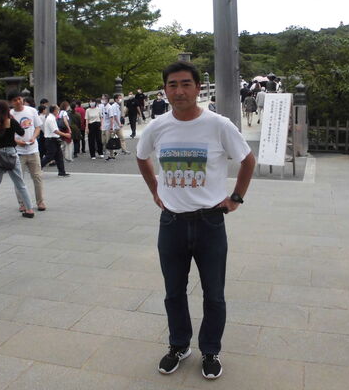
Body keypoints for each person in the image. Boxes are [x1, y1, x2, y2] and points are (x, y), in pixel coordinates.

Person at [136, 61, 255, 380]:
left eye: (186, 84)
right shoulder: (157, 126)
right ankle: (179, 345)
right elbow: (141, 156)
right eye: (172, 84)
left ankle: (211, 350)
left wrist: (236, 197)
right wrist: (155, 190)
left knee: (214, 293)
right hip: (171, 223)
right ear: (165, 90)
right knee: (173, 292)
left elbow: (247, 160)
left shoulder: (218, 125)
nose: (179, 91)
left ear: (198, 88)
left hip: (210, 223)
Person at [0, 100, 35, 224]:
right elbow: (22, 132)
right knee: (20, 183)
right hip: (12, 154)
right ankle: (30, 209)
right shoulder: (12, 121)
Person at [9, 91, 46, 212]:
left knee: (37, 177)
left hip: (33, 149)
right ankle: (22, 203)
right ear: (11, 102)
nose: (18, 101)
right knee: (18, 179)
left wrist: (34, 137)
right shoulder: (10, 114)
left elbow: (37, 127)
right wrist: (16, 141)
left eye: (19, 99)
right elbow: (7, 133)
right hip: (18, 151)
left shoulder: (32, 111)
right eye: (15, 100)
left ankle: (40, 201)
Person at [40, 105, 71, 177]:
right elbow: (55, 131)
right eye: (58, 110)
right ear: (54, 111)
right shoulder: (50, 119)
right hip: (51, 140)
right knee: (49, 156)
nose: (58, 112)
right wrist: (65, 135)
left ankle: (62, 172)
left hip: (54, 140)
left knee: (59, 156)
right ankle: (37, 168)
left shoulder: (52, 118)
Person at [106, 94, 130, 160]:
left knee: (122, 138)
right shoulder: (113, 106)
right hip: (114, 126)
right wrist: (119, 124)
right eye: (119, 98)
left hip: (118, 127)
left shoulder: (117, 106)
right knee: (111, 140)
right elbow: (115, 116)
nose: (120, 99)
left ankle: (124, 150)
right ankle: (111, 154)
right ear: (116, 99)